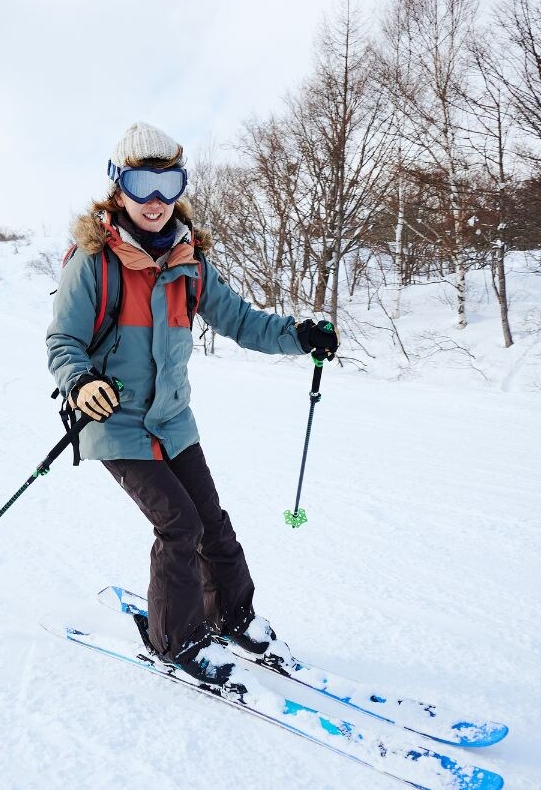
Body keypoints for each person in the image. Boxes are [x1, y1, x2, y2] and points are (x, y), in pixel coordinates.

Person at [46, 122, 338, 685]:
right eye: (140, 183)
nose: (155, 201)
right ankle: (175, 641)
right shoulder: (92, 261)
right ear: (118, 186)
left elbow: (241, 321)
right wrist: (80, 381)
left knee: (212, 523)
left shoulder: (190, 261)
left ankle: (234, 617)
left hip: (173, 420)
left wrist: (299, 335)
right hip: (114, 420)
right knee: (178, 525)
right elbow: (62, 343)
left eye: (168, 183)